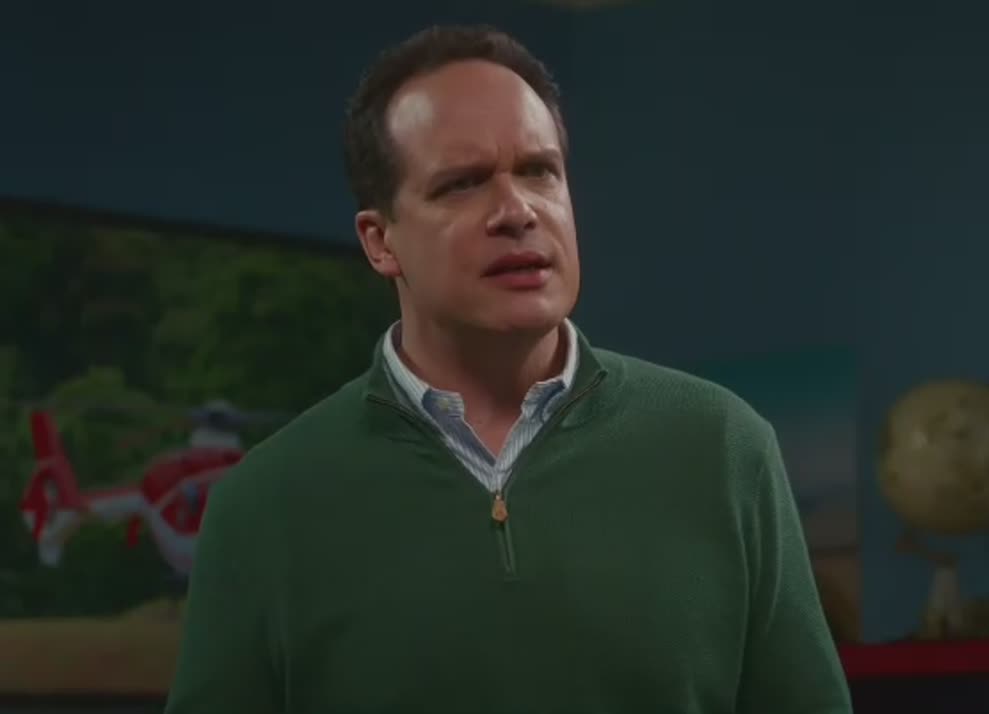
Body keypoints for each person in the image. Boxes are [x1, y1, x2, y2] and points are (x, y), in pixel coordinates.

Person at [164, 24, 852, 714]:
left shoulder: (723, 448)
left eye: (538, 170)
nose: (517, 211)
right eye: (462, 184)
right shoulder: (264, 506)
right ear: (380, 242)